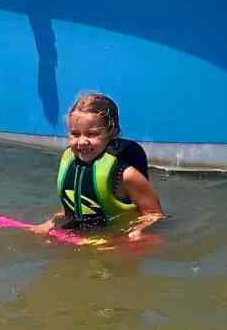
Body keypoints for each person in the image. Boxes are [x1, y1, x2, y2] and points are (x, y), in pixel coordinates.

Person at [32, 91, 163, 240]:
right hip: (82, 238)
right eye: (75, 134)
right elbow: (71, 205)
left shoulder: (126, 175)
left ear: (112, 133)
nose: (82, 142)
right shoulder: (70, 164)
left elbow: (154, 214)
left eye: (91, 134)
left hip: (116, 238)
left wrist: (138, 232)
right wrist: (50, 223)